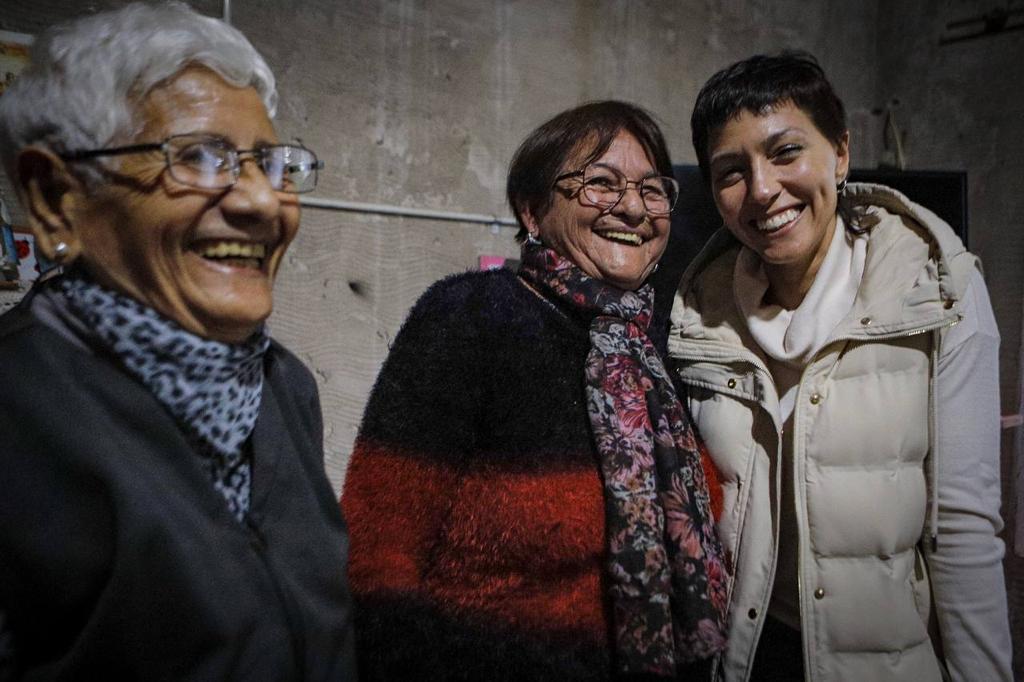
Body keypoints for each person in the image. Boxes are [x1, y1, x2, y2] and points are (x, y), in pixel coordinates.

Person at [0, 3, 355, 678]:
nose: (262, 202)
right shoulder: (17, 408)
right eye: (197, 157)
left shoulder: (284, 386)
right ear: (55, 200)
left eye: (271, 164)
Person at [342, 100, 728, 680]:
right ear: (532, 210)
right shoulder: (473, 315)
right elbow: (378, 549)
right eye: (601, 183)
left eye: (652, 191)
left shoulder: (653, 347)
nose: (632, 208)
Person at [667, 51, 1011, 681]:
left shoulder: (934, 290)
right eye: (731, 172)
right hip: (744, 660)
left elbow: (963, 529)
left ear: (842, 153)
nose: (762, 189)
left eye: (786, 152)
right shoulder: (698, 313)